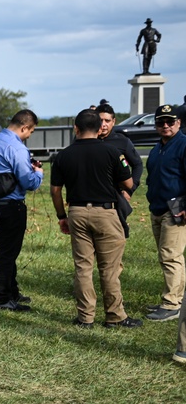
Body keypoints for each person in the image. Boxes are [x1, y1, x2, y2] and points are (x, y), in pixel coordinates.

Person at [50, 109, 139, 330]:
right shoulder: (111, 151)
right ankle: (115, 316)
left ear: (76, 128)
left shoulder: (63, 155)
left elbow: (54, 190)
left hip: (77, 212)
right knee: (109, 269)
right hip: (106, 212)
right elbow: (128, 183)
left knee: (83, 268)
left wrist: (62, 216)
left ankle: (85, 317)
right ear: (100, 129)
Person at [0, 110, 43, 311]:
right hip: (11, 205)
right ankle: (4, 298)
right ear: (24, 127)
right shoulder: (17, 148)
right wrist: (38, 173)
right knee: (8, 252)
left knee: (4, 250)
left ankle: (12, 291)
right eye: (30, 131)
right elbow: (28, 181)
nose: (29, 135)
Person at [143, 105, 186, 322]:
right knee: (168, 256)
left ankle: (171, 304)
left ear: (178, 122)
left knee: (171, 256)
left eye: (170, 121)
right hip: (158, 207)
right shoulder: (157, 148)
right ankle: (175, 298)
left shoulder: (184, 144)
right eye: (161, 122)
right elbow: (152, 177)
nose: (165, 126)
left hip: (176, 207)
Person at [97, 101, 143, 238]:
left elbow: (138, 165)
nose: (103, 124)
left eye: (107, 120)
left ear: (113, 121)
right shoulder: (86, 139)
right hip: (92, 197)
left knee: (115, 238)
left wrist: (130, 189)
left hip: (115, 198)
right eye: (100, 120)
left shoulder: (122, 142)